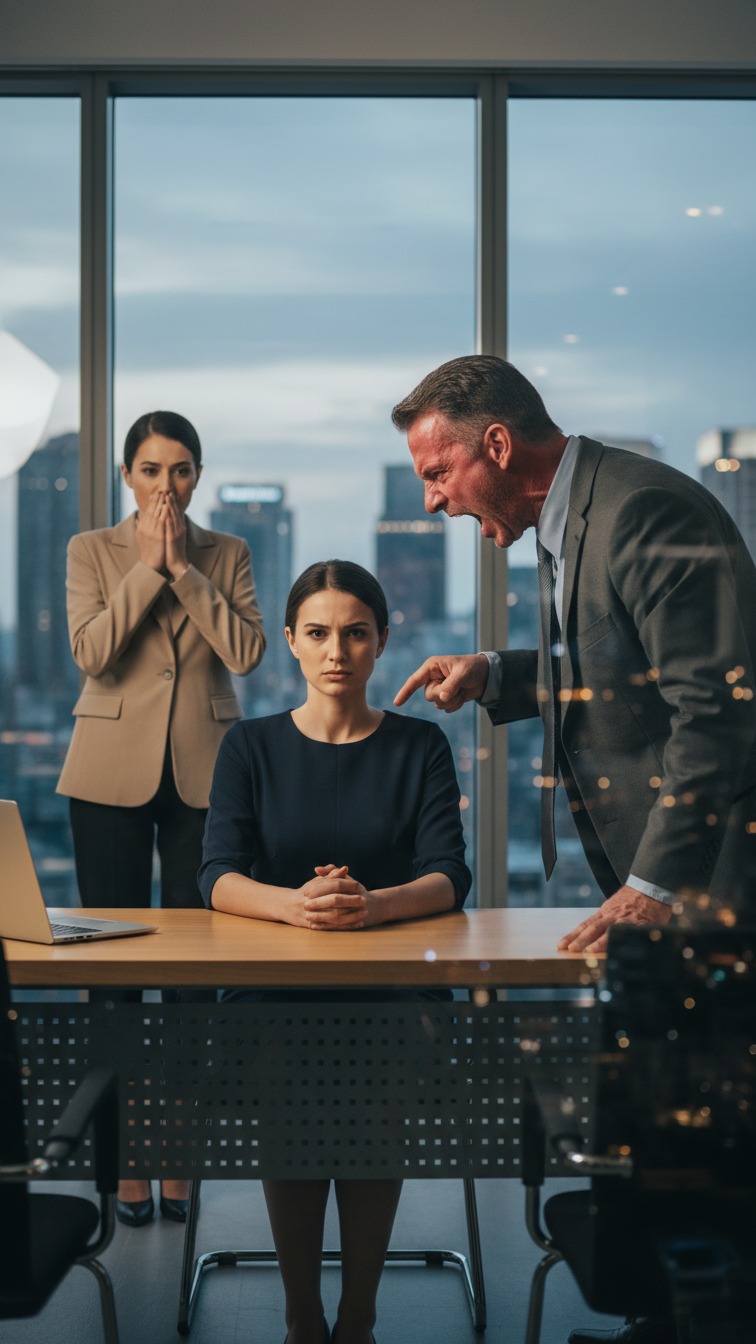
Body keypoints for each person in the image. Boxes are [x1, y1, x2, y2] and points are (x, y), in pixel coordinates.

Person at [390, 355, 756, 1344]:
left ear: (496, 446)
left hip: (716, 897)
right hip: (676, 907)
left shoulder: (646, 513)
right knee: (686, 1144)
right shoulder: (571, 521)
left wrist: (651, 884)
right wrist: (499, 673)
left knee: (720, 1148)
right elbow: (613, 672)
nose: (432, 504)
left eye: (437, 475)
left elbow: (715, 715)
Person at [199, 559, 471, 1344]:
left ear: (383, 640)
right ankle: (301, 1317)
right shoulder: (249, 746)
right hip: (275, 988)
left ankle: (357, 1317)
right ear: (289, 640)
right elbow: (215, 874)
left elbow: (451, 874)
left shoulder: (419, 745)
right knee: (285, 1068)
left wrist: (371, 905)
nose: (337, 651)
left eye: (356, 633)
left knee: (374, 1079)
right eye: (318, 633)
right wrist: (294, 905)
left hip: (391, 986)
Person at [57, 409, 266, 1227]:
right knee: (112, 979)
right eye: (150, 470)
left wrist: (185, 573)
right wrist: (147, 568)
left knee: (189, 983)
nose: (165, 485)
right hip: (106, 774)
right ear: (127, 475)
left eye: (181, 470)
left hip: (206, 777)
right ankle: (122, 1165)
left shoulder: (228, 554)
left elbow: (246, 653)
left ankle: (179, 1159)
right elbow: (91, 652)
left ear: (198, 476)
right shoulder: (90, 551)